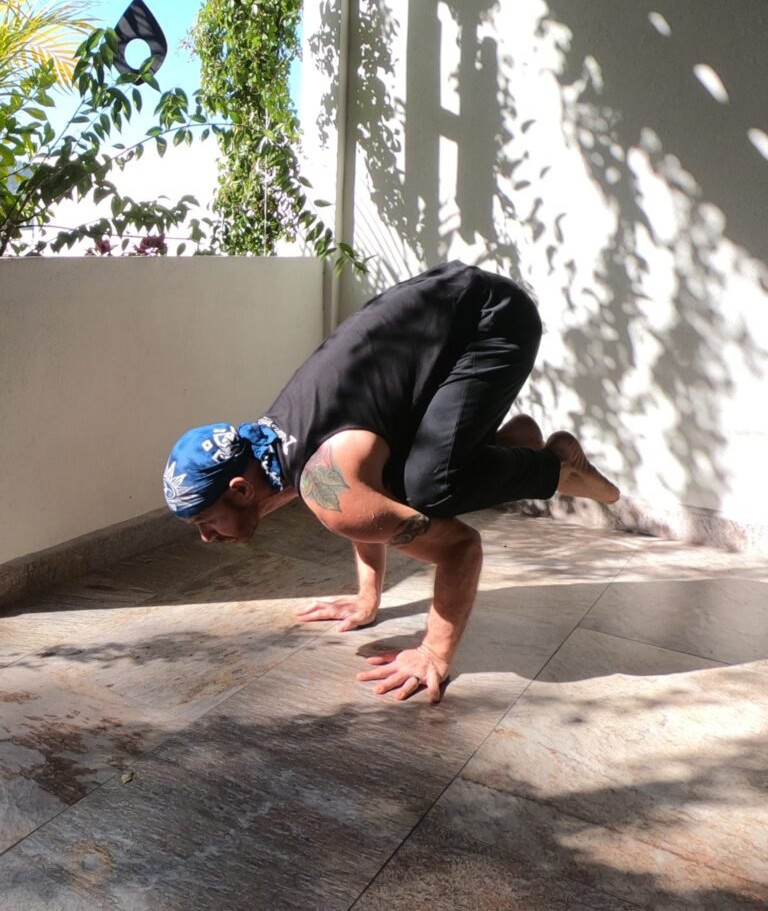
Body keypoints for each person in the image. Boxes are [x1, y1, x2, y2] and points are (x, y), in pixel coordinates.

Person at [163, 261, 619, 703]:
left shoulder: (321, 481)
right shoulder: (272, 445)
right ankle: (516, 443)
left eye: (205, 520)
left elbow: (458, 547)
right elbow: (361, 497)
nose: (206, 537)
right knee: (396, 483)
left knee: (426, 491)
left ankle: (556, 466)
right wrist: (367, 599)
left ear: (241, 488)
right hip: (449, 309)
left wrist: (433, 652)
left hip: (492, 320)